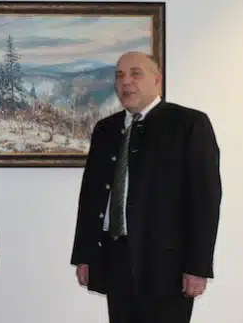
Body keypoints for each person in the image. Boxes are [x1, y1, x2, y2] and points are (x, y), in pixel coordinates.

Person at [70, 51, 222, 323]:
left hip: (168, 265)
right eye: (119, 75)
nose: (126, 82)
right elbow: (91, 197)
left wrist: (198, 266)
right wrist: (85, 255)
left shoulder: (188, 124)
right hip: (115, 256)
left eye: (135, 73)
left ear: (157, 80)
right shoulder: (105, 129)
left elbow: (205, 200)